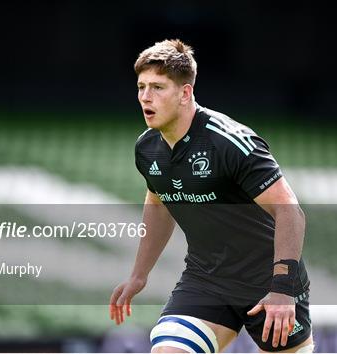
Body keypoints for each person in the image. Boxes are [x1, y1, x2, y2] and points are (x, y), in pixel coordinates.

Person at [109, 39, 314, 353]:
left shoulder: (231, 142)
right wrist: (139, 275)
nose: (146, 97)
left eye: (158, 88)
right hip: (206, 280)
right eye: (141, 87)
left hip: (268, 283)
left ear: (185, 93)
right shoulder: (147, 148)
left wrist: (283, 289)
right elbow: (159, 201)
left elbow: (290, 211)